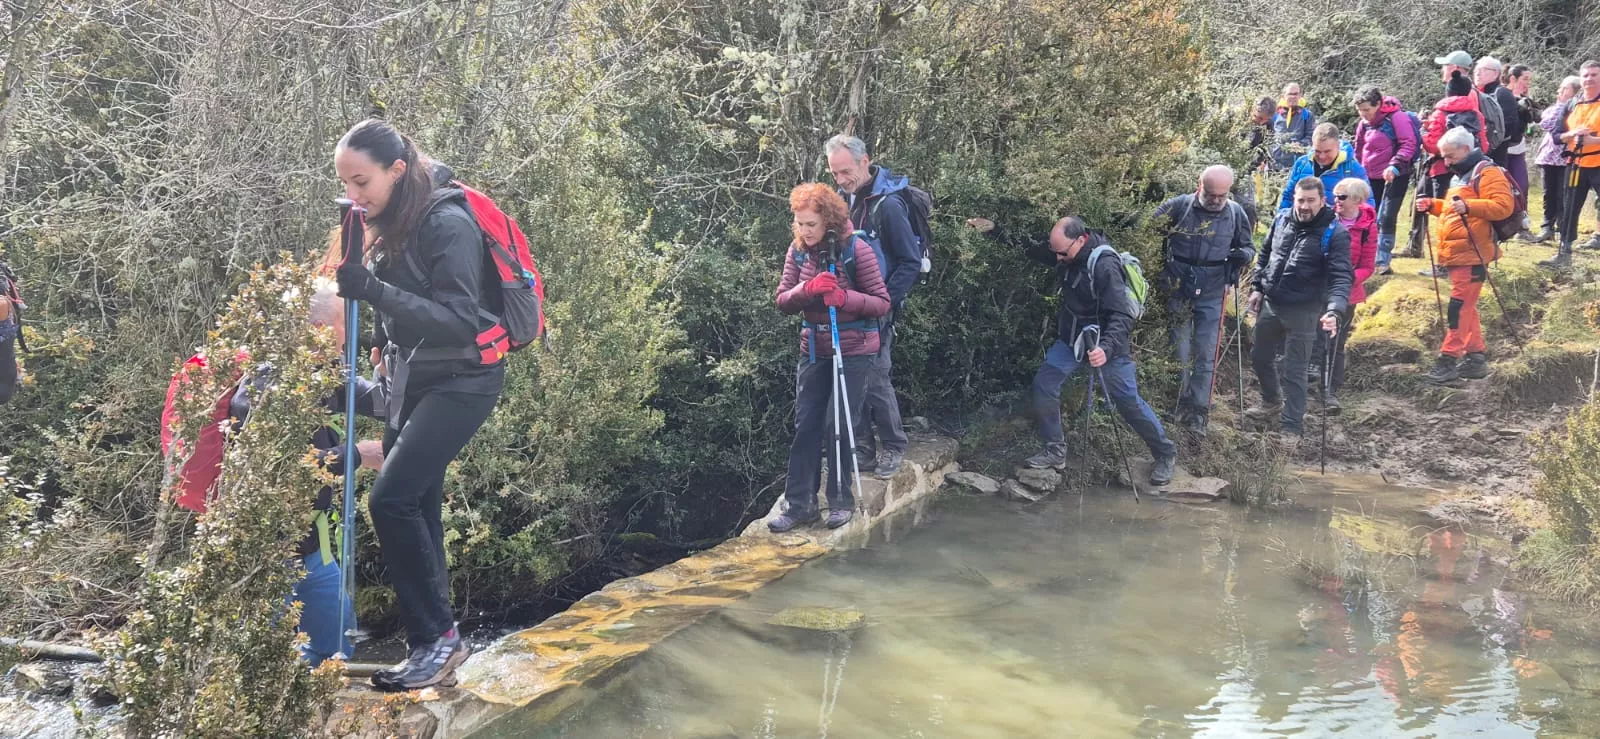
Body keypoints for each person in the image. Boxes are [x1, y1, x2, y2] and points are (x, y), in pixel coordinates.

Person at [332, 119, 507, 691]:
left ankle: (436, 641)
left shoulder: (446, 222)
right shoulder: (391, 218)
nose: (354, 195)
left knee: (391, 499)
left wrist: (374, 292)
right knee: (419, 503)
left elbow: (459, 320)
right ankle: (439, 646)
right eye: (345, 184)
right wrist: (379, 336)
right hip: (416, 376)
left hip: (464, 379)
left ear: (397, 170)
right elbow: (401, 293)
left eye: (362, 182)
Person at [226, 280, 385, 666]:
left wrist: (390, 379)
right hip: (265, 555)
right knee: (262, 662)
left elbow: (383, 403)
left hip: (313, 548)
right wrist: (357, 454)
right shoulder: (259, 392)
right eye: (343, 323)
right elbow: (280, 472)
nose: (349, 334)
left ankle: (312, 686)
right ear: (318, 330)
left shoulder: (323, 377)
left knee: (336, 650)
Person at [967, 216, 1177, 484]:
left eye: (1062, 253)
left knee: (1127, 401)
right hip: (1072, 339)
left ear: (1080, 240)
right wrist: (995, 229)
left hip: (1107, 343)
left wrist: (1105, 349)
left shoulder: (1105, 266)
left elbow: (1122, 315)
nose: (1057, 259)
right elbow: (1031, 248)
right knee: (1044, 384)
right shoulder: (1064, 251)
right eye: (1055, 252)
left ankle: (1165, 453)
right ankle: (1055, 451)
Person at [770, 183, 891, 532]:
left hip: (853, 349)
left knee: (837, 424)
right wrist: (807, 289)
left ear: (829, 221)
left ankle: (840, 502)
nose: (805, 231)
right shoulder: (797, 252)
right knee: (805, 425)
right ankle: (800, 506)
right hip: (813, 347)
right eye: (800, 223)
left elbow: (882, 302)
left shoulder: (856, 249)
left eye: (811, 224)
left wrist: (844, 298)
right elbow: (782, 301)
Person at [824, 134, 914, 479]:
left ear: (865, 162)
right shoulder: (842, 202)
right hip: (847, 305)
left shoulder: (888, 206)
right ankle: (862, 450)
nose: (841, 179)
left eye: (845, 171)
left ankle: (894, 447)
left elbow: (909, 262)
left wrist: (883, 302)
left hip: (877, 307)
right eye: (835, 173)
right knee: (849, 377)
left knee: (875, 376)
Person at [1152, 165, 1255, 435]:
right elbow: (1149, 227)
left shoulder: (1236, 213)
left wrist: (1242, 256)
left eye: (1222, 195)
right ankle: (1178, 402)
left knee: (1206, 353)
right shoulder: (1179, 206)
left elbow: (1249, 247)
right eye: (1211, 195)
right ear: (1200, 186)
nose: (1216, 201)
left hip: (1213, 291)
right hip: (1177, 288)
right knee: (1179, 348)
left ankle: (1199, 411)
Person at [1245, 178, 1352, 437]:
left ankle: (1291, 428)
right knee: (1259, 356)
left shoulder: (1335, 233)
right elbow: (1265, 254)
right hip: (1271, 303)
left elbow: (1341, 277)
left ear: (1323, 201)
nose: (1304, 206)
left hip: (1305, 310)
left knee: (1295, 370)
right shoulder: (1282, 219)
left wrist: (1334, 310)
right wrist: (1257, 287)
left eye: (1310, 201)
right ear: (1294, 199)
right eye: (1300, 200)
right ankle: (1271, 401)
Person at [1415, 127, 1516, 382]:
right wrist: (1433, 205)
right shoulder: (1462, 175)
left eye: (1450, 156)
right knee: (1466, 307)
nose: (1447, 162)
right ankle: (1475, 358)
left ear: (1465, 149)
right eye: (1444, 157)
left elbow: (1504, 206)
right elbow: (1454, 210)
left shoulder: (1487, 172)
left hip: (1473, 252)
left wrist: (1469, 205)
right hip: (1459, 253)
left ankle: (1448, 360)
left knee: (1458, 308)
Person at [1308, 179, 1376, 412]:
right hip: (1317, 287)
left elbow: (1368, 266)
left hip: (1347, 293)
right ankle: (1303, 380)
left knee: (1335, 342)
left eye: (1342, 197)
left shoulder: (1367, 227)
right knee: (1311, 334)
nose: (1336, 200)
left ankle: (1329, 391)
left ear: (1358, 200)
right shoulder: (1325, 219)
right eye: (1335, 195)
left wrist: (1344, 279)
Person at [1352, 85, 1419, 274]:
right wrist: (1357, 170)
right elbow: (1359, 147)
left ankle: (1383, 260)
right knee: (1367, 215)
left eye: (1367, 109)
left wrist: (1395, 165)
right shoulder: (1364, 123)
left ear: (1378, 105)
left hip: (1395, 175)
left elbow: (1408, 143)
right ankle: (1365, 258)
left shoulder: (1397, 118)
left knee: (1387, 216)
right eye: (1360, 110)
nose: (1363, 114)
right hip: (1370, 175)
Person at [1542, 60, 1600, 270]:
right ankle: (1564, 253)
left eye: (1594, 75)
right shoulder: (1571, 104)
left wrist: (1595, 141)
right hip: (1575, 163)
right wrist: (1572, 134)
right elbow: (1556, 135)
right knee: (1569, 207)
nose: (1589, 79)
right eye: (1585, 75)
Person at [1532, 76, 1585, 244]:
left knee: (1564, 196)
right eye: (1560, 88)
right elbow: (1545, 123)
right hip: (1549, 157)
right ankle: (1547, 227)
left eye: (1565, 89)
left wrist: (1561, 107)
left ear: (1575, 92)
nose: (1559, 91)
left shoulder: (1577, 108)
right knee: (1549, 194)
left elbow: (1550, 123)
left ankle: (1563, 231)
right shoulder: (1556, 108)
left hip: (1566, 158)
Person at [1279, 123, 1372, 211]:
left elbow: (1367, 202)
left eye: (1327, 151)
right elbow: (1288, 196)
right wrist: (1282, 217)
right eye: (1317, 151)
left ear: (1337, 146)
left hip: (1336, 221)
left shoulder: (1353, 169)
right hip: (1303, 219)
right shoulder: (1302, 163)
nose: (1322, 156)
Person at [1476, 57, 1525, 172]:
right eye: (1476, 70)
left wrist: (1486, 143)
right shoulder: (1474, 93)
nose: (1478, 73)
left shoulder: (1502, 94)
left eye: (1483, 69)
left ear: (1495, 74)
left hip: (1494, 159)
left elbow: (1507, 127)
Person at [1271, 83, 1317, 170]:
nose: (1293, 97)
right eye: (1290, 94)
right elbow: (1268, 136)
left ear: (1300, 95)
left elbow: (1312, 136)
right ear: (1283, 96)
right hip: (1276, 162)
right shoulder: (1275, 114)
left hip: (1298, 163)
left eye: (1296, 94)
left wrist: (1299, 144)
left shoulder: (1306, 115)